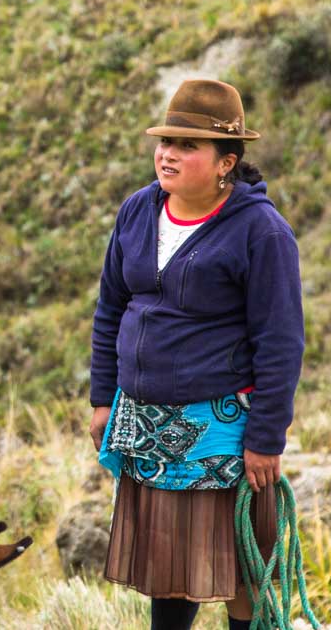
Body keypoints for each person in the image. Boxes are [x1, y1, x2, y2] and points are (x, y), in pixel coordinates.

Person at [88, 79, 305, 630]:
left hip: (223, 433)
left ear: (226, 162)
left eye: (188, 146)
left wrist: (266, 440)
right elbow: (110, 306)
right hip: (146, 425)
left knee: (239, 573)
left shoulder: (261, 232)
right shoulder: (138, 211)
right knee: (168, 571)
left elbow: (280, 342)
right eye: (166, 142)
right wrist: (100, 400)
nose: (169, 154)